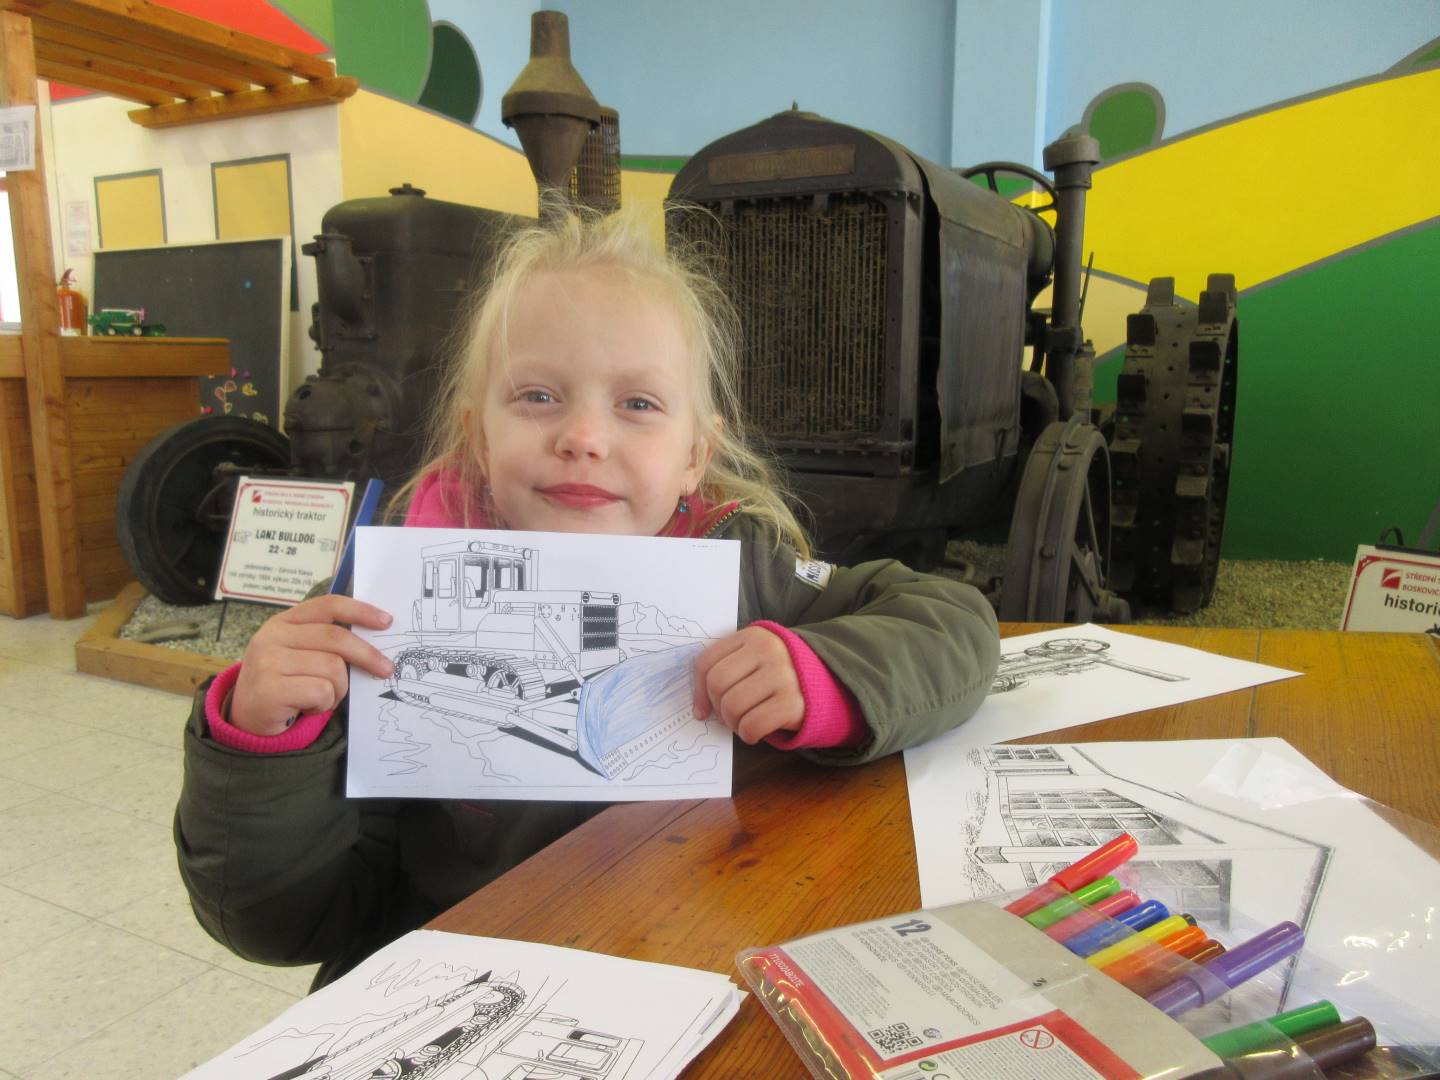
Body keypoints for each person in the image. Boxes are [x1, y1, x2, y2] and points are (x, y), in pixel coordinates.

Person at [175, 203, 1001, 989]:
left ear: (694, 457)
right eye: (537, 396)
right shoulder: (369, 615)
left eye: (638, 404)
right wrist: (261, 743)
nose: (583, 438)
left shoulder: (744, 576)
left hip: (695, 973)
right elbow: (282, 923)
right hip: (460, 992)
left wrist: (828, 676)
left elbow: (954, 624)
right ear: (477, 437)